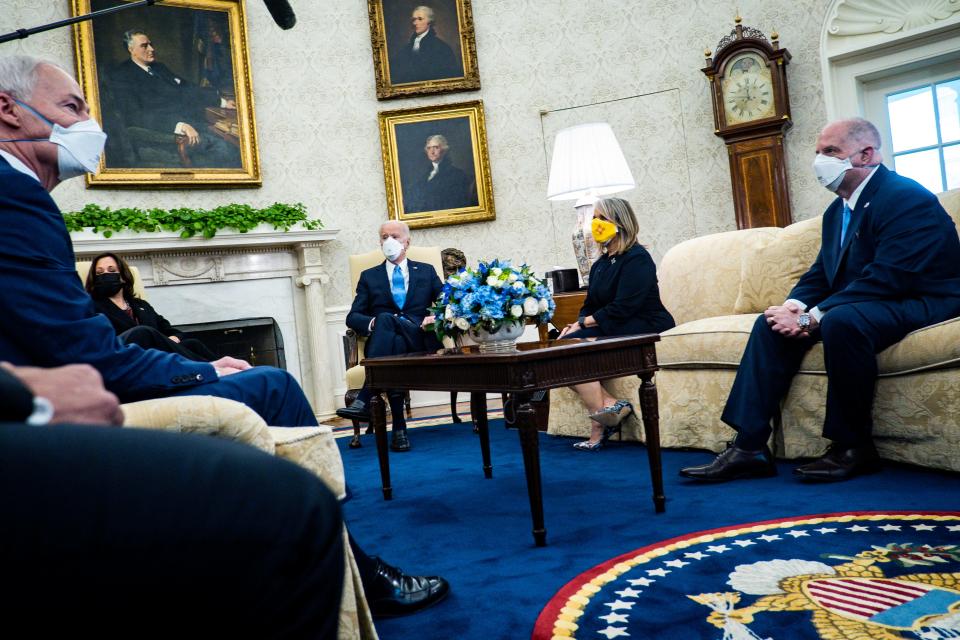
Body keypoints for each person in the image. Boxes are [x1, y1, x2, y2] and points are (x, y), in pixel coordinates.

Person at [0, 363, 450, 629]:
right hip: (38, 412)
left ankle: (353, 560)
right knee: (291, 470)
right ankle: (353, 566)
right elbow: (91, 354)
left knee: (257, 378)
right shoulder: (19, 204)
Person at [0, 54, 319, 428]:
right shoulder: (14, 193)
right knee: (274, 384)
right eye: (72, 107)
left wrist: (201, 365)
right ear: (8, 108)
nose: (90, 126)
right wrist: (204, 373)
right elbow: (88, 355)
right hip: (39, 419)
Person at [680, 117, 960, 483]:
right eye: (817, 153)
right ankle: (748, 447)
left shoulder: (905, 197)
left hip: (925, 298)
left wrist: (815, 317)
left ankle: (853, 447)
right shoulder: (836, 212)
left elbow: (890, 276)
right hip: (875, 299)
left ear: (866, 154)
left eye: (831, 152)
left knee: (843, 321)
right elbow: (821, 274)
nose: (819, 162)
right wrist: (794, 306)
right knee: (770, 324)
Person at [556, 197, 676, 450]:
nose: (596, 223)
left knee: (570, 349)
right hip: (615, 322)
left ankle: (598, 426)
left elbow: (625, 305)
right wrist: (576, 323)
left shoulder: (637, 258)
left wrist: (583, 325)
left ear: (620, 222)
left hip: (644, 322)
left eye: (603, 218)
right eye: (595, 219)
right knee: (558, 350)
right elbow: (591, 304)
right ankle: (610, 406)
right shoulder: (600, 264)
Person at [336, 221, 443, 451]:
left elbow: (448, 304)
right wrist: (373, 322)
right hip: (388, 341)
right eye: (384, 237)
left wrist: (436, 317)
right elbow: (353, 317)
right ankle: (399, 429)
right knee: (386, 325)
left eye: (394, 236)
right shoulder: (369, 276)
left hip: (418, 336)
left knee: (386, 320)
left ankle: (364, 398)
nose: (389, 241)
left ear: (407, 242)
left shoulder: (426, 271)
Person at [108, 29, 240, 168]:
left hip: (193, 123)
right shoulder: (121, 75)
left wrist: (221, 101)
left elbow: (186, 88)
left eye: (151, 44)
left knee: (231, 139)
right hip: (166, 135)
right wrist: (179, 126)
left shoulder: (159, 68)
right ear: (131, 49)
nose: (151, 49)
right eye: (144, 46)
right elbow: (135, 115)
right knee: (228, 150)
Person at [84, 251, 217, 362]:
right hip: (126, 358)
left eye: (111, 270)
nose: (105, 275)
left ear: (123, 277)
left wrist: (173, 339)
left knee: (192, 344)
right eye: (99, 273)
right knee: (143, 332)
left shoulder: (141, 305)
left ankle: (225, 372)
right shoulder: (92, 306)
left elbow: (172, 331)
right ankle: (212, 369)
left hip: (157, 356)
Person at [404, 133, 477, 213]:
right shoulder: (425, 174)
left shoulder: (457, 174)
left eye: (436, 147)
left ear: (444, 150)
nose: (432, 152)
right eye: (429, 148)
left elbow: (456, 203)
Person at [390, 5, 461, 84]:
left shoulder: (441, 48)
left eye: (420, 19)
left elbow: (449, 77)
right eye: (414, 19)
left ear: (429, 22)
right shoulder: (407, 48)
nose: (415, 23)